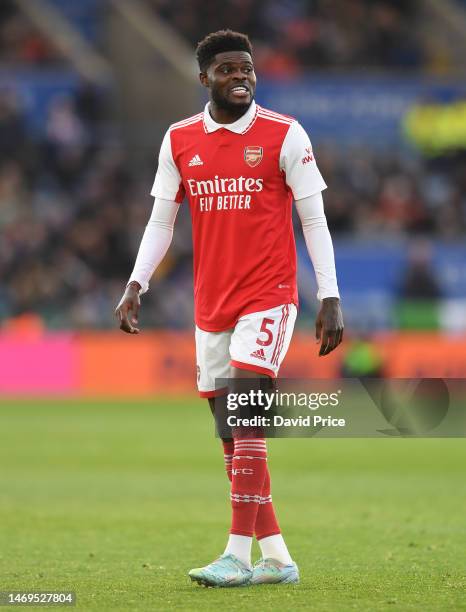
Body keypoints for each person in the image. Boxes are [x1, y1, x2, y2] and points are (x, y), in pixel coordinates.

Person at [115, 30, 344, 588]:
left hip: (267, 296)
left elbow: (313, 220)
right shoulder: (179, 139)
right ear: (204, 79)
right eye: (227, 70)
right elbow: (161, 221)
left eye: (247, 69)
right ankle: (278, 558)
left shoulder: (284, 134)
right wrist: (135, 282)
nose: (240, 77)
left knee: (244, 416)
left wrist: (330, 295)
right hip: (210, 302)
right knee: (229, 430)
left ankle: (236, 556)